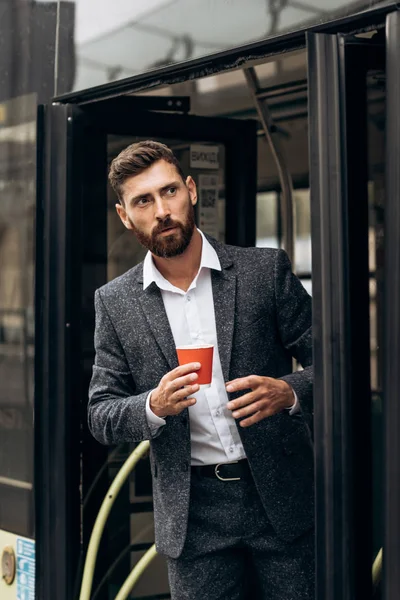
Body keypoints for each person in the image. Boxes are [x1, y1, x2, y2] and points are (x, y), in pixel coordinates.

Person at [88, 140, 314, 600]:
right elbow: (101, 414)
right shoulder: (114, 302)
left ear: (191, 190)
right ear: (125, 216)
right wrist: (153, 405)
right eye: (143, 201)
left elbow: (339, 364)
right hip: (193, 516)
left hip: (281, 496)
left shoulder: (263, 272)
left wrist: (289, 392)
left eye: (169, 191)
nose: (161, 210)